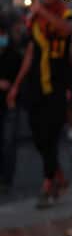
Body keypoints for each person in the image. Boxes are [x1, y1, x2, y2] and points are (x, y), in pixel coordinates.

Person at [6, 0, 72, 208]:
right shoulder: (34, 19)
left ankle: (48, 184)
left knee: (51, 133)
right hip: (35, 84)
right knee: (38, 135)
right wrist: (16, 85)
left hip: (57, 84)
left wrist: (42, 11)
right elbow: (30, 52)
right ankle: (59, 178)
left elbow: (68, 30)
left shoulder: (66, 14)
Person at [0, 16, 22, 193]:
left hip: (10, 105)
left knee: (8, 143)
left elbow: (21, 79)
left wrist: (14, 88)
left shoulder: (14, 56)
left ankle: (6, 179)